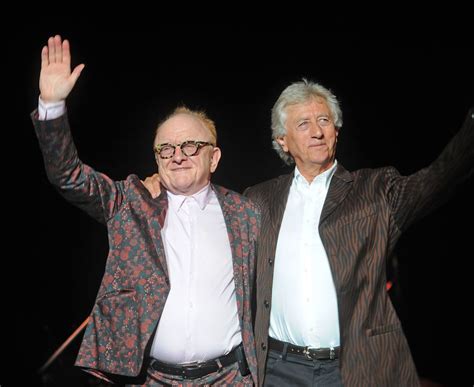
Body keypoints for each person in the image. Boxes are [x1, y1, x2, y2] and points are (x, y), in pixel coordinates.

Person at [32, 35, 260, 386]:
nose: (177, 155)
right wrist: (51, 105)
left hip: (230, 378)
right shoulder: (131, 203)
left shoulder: (246, 214)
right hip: (152, 380)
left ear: (213, 157)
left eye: (190, 146)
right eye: (165, 149)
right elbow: (68, 176)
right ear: (155, 158)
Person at [242, 79, 473, 386]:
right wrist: (159, 195)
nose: (317, 131)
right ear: (283, 140)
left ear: (336, 131)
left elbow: (440, 176)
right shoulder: (259, 200)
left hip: (354, 368)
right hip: (280, 370)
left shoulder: (376, 190)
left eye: (324, 120)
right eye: (304, 123)